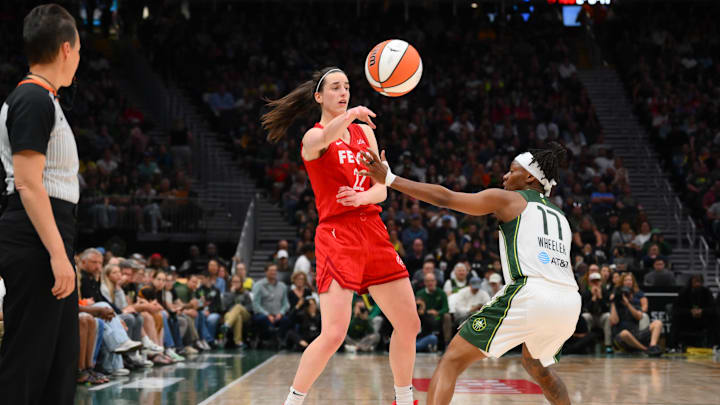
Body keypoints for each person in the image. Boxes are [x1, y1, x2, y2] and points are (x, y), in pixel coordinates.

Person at [360, 142, 581, 405]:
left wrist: (391, 179)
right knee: (537, 367)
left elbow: (446, 198)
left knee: (452, 360)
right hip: (569, 302)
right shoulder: (561, 216)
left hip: (532, 293)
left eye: (511, 171)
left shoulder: (509, 198)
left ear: (530, 177)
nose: (505, 177)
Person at [262, 67, 419, 405]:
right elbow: (325, 138)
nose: (344, 92)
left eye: (347, 87)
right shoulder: (313, 137)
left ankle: (404, 400)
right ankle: (292, 402)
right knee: (334, 334)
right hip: (337, 235)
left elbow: (382, 188)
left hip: (374, 232)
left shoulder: (365, 133)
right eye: (335, 87)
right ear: (319, 96)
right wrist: (349, 116)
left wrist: (363, 197)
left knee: (409, 324)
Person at [0, 5, 82, 404]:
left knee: (59, 364)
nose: (79, 60)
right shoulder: (32, 99)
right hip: (36, 239)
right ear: (66, 49)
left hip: (49, 235)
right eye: (80, 51)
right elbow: (29, 184)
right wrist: (56, 253)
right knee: (29, 362)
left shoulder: (44, 99)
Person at [609, 273, 663, 356]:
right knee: (625, 333)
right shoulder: (616, 304)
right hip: (621, 337)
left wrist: (628, 304)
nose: (626, 296)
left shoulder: (634, 303)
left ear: (631, 295)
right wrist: (613, 303)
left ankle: (652, 346)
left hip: (636, 334)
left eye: (628, 294)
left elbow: (639, 317)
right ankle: (645, 349)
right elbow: (614, 321)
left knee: (658, 323)